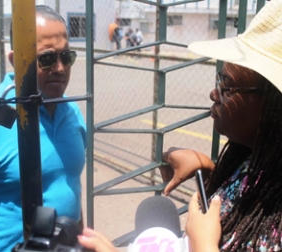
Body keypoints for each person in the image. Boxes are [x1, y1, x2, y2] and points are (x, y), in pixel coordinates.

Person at [78, 2, 282, 251]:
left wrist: (204, 245)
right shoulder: (259, 159)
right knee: (154, 208)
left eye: (226, 86)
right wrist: (209, 171)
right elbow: (250, 192)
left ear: (273, 104)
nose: (213, 93)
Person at [0, 6, 86, 251]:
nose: (60, 68)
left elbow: (69, 186)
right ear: (15, 60)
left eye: (66, 57)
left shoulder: (72, 111)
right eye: (47, 58)